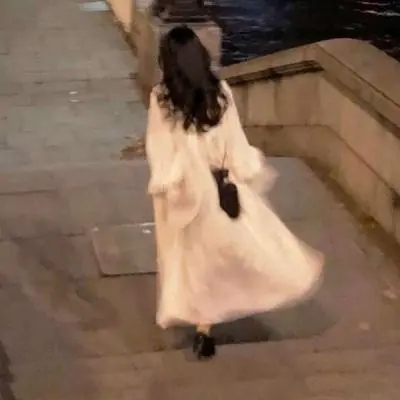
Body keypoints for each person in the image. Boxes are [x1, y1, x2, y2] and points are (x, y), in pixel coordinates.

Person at [145, 25, 323, 360]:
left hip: (188, 192)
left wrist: (168, 184)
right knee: (238, 250)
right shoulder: (220, 90)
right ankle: (207, 325)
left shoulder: (162, 98)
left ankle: (202, 324)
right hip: (219, 187)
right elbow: (234, 143)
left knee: (193, 260)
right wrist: (245, 171)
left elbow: (160, 149)